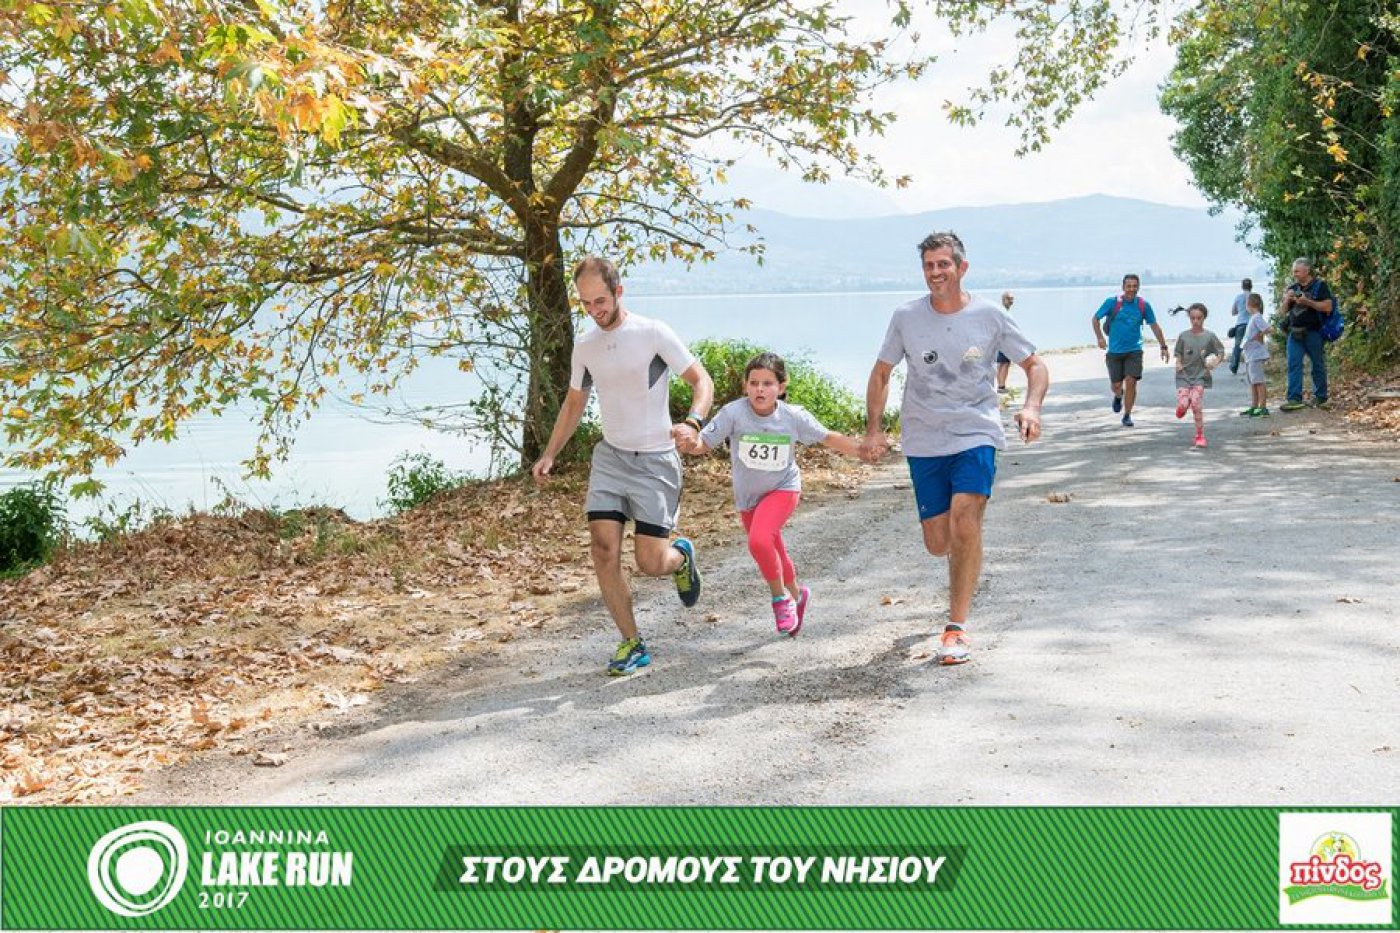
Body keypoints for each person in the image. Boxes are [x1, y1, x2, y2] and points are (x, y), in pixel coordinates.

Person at [864, 232, 1050, 665]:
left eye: (943, 264)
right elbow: (881, 372)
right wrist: (874, 430)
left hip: (976, 432)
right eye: (929, 265)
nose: (936, 273)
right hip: (924, 437)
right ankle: (964, 554)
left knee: (965, 521)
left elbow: (1035, 365)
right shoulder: (906, 317)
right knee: (938, 542)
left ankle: (956, 627)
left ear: (962, 268)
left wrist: (1031, 407)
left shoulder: (989, 316)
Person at [532, 256, 715, 676]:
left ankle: (680, 558)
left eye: (600, 301)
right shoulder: (586, 346)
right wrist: (550, 453)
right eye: (585, 304)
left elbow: (701, 380)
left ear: (618, 291)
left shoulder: (653, 333)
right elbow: (574, 402)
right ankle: (632, 642)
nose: (594, 311)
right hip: (611, 457)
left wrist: (693, 422)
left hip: (655, 462)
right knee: (602, 549)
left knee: (650, 562)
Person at [677, 352, 865, 636]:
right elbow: (704, 443)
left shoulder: (793, 416)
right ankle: (798, 595)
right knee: (773, 549)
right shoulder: (733, 413)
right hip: (749, 498)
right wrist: (690, 443)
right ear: (745, 386)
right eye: (754, 383)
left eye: (767, 383)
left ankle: (780, 599)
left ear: (781, 386)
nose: (760, 390)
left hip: (783, 488)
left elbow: (828, 437)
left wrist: (864, 451)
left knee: (759, 541)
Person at [1091, 274, 1169, 427]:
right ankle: (1118, 395)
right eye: (1129, 286)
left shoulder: (1143, 305)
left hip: (1134, 350)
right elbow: (1095, 319)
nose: (1132, 289)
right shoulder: (1112, 302)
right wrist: (1099, 337)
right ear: (1123, 287)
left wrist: (1163, 346)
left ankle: (1127, 415)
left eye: (1135, 286)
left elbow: (1154, 326)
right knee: (1116, 385)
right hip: (1115, 351)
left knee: (1131, 382)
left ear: (1138, 287)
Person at [1279, 257, 1334, 411]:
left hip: (1314, 332)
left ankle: (1321, 397)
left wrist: (1307, 302)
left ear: (1307, 270)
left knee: (1317, 364)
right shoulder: (1292, 287)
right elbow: (1282, 312)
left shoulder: (1320, 286)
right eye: (1293, 271)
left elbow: (1328, 307)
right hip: (1294, 332)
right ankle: (1294, 399)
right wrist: (1287, 299)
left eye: (1297, 271)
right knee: (1294, 365)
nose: (1294, 274)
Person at [1172, 302, 1226, 448]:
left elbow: (1221, 352)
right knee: (1184, 403)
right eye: (1193, 318)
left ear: (1204, 318)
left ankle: (1200, 436)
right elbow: (1178, 353)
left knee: (1196, 403)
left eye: (1199, 318)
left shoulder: (1209, 336)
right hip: (1183, 376)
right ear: (1189, 318)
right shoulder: (1183, 336)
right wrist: (1178, 363)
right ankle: (1182, 408)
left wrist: (1215, 362)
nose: (1196, 321)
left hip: (1200, 376)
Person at [1239, 292, 1272, 417]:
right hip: (1250, 354)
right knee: (1252, 381)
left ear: (1249, 304)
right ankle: (1254, 406)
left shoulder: (1257, 317)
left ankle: (1263, 407)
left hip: (1255, 354)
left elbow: (1269, 329)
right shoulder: (1253, 318)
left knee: (1258, 381)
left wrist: (1260, 335)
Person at [1228, 277, 1254, 375]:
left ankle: (1234, 366)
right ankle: (1251, 367)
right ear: (1251, 286)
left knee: (1237, 346)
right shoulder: (1254, 297)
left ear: (1242, 287)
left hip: (1241, 324)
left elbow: (1233, 312)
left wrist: (1241, 310)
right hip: (1252, 324)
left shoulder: (1238, 297)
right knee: (1252, 346)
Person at [996, 291, 1016, 393]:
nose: (1011, 301)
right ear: (1003, 299)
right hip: (1003, 341)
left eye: (1012, 299)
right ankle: (1001, 386)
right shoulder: (1002, 311)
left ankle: (1000, 385)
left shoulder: (1005, 311)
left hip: (1002, 341)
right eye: (1009, 299)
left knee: (1002, 363)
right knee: (1004, 363)